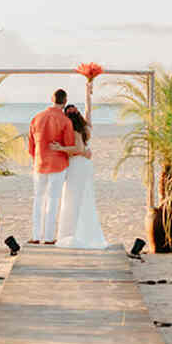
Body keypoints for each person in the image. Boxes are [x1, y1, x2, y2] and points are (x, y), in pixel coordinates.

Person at [27, 89, 89, 244]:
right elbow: (69, 146)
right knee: (53, 200)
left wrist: (37, 158)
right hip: (58, 165)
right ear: (65, 101)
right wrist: (83, 152)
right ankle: (48, 238)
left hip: (39, 164)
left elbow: (31, 146)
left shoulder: (37, 117)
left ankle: (35, 236)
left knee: (38, 200)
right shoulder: (65, 121)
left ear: (51, 99)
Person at [51, 104, 108, 249]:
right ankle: (82, 233)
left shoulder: (75, 128)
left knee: (72, 198)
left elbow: (79, 149)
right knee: (84, 198)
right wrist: (88, 94)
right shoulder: (85, 127)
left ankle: (73, 234)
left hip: (77, 165)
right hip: (85, 165)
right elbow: (89, 115)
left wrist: (61, 148)